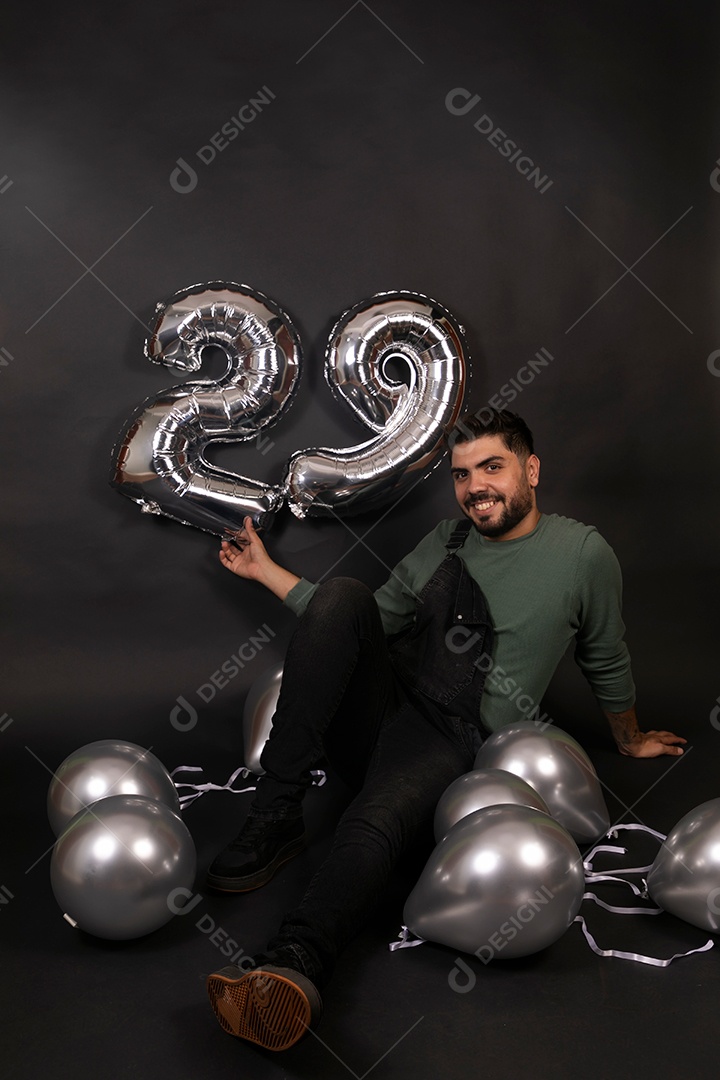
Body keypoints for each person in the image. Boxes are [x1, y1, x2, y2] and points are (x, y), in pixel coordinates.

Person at [204, 409, 685, 1052]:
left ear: (531, 471)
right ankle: (277, 814)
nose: (475, 486)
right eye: (462, 474)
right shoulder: (447, 541)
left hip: (449, 736)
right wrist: (266, 570)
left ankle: (293, 966)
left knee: (371, 823)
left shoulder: (581, 554)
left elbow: (605, 653)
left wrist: (627, 735)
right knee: (343, 593)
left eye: (492, 467)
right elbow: (357, 624)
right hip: (383, 705)